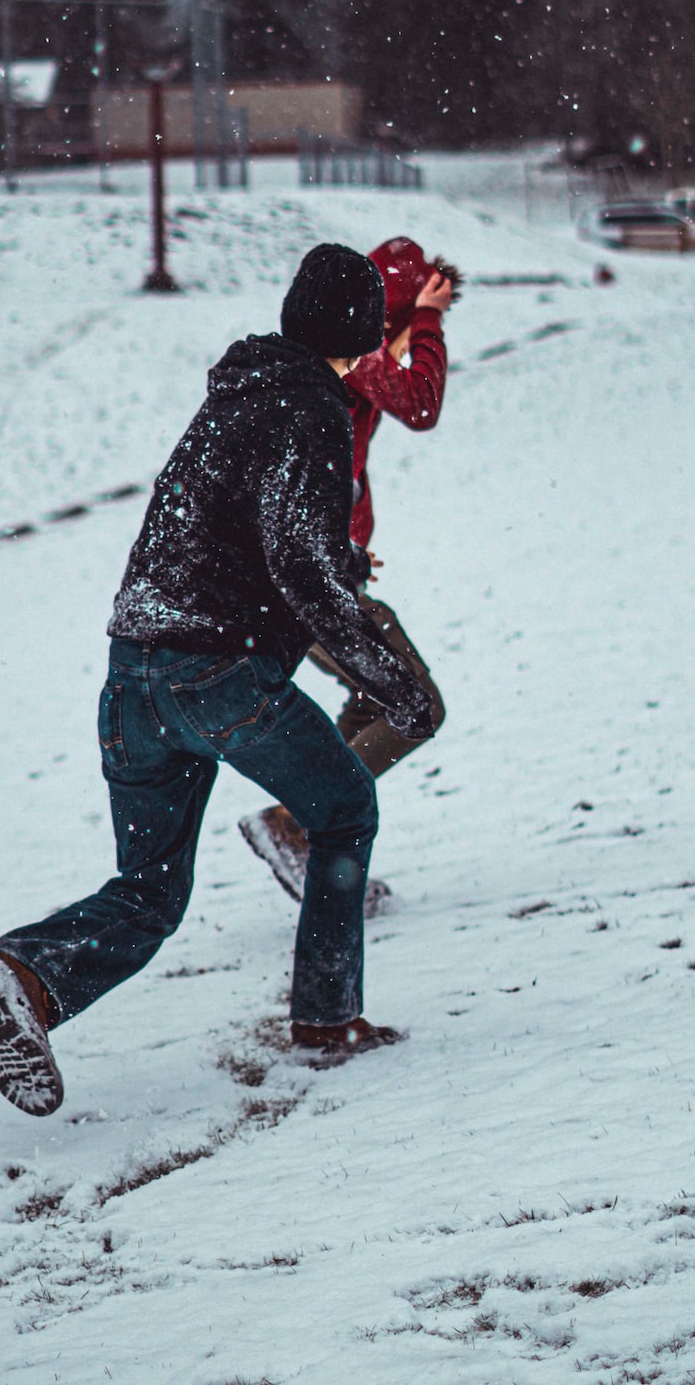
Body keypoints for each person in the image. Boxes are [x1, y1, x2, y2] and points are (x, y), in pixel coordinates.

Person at [0, 242, 438, 1117]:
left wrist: (337, 566)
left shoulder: (235, 395)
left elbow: (242, 531)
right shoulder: (313, 409)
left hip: (131, 675)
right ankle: (328, 1023)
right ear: (361, 328)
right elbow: (299, 559)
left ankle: (23, 974)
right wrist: (388, 677)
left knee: (148, 892)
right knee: (344, 811)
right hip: (219, 675)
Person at [239, 237, 461, 909]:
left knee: (378, 700)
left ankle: (309, 837)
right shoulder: (355, 353)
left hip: (309, 567)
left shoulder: (339, 351)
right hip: (306, 578)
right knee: (413, 704)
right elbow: (419, 404)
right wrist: (427, 323)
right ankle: (296, 823)